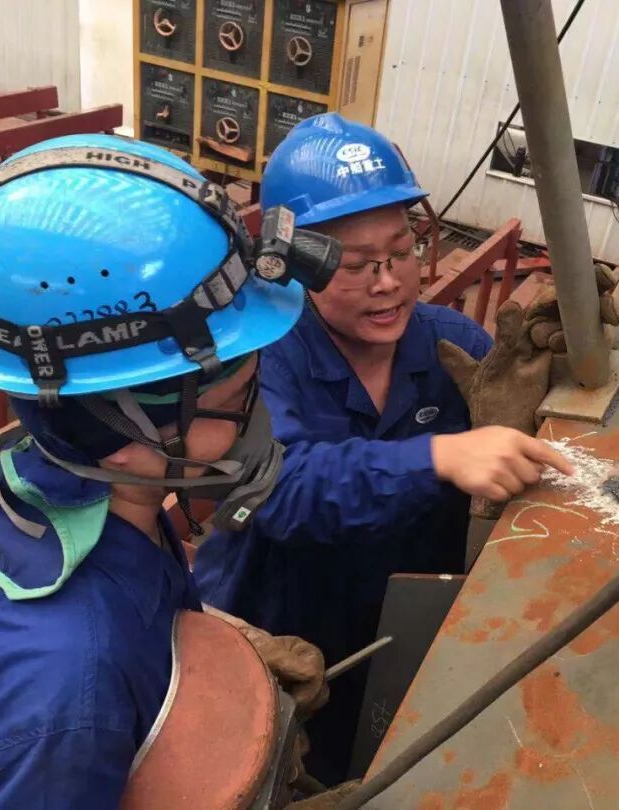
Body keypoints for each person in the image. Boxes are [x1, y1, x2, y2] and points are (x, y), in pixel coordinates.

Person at [0, 134, 339, 808]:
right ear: (121, 432)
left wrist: (210, 669)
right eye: (238, 394)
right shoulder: (66, 696)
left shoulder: (52, 483)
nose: (259, 414)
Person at [193, 114, 574, 784]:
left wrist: (565, 381)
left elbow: (531, 447)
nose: (388, 281)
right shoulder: (263, 360)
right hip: (284, 635)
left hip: (403, 628)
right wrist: (440, 456)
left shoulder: (453, 344)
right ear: (296, 264)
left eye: (401, 252)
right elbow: (279, 489)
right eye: (356, 264)